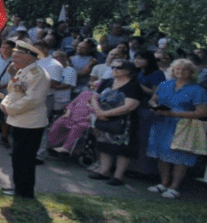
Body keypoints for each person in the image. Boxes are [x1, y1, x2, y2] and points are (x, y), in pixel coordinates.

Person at [145, 59, 207, 199]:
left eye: (184, 69)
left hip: (183, 127)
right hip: (161, 122)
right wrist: (155, 106)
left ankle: (174, 187)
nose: (180, 72)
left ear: (191, 73)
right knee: (161, 153)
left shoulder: (198, 90)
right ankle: (164, 183)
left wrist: (172, 113)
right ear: (172, 71)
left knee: (180, 156)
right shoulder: (164, 84)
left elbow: (202, 112)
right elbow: (152, 99)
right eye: (177, 69)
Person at [0, 40, 50, 198]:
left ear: (30, 57)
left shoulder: (38, 74)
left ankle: (24, 191)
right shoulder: (22, 71)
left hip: (30, 123)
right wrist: (5, 103)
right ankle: (19, 188)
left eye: (18, 56)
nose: (14, 59)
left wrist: (10, 109)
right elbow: (13, 91)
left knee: (25, 159)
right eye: (14, 56)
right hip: (20, 120)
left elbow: (33, 99)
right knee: (18, 158)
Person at [87, 60, 144, 186]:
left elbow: (129, 106)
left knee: (122, 150)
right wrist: (98, 111)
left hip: (123, 123)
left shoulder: (133, 85)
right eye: (113, 67)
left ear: (128, 70)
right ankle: (104, 171)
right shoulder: (107, 82)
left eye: (118, 68)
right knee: (103, 145)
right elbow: (94, 96)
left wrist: (103, 114)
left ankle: (118, 176)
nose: (114, 69)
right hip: (103, 119)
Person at [49, 89, 96, 154]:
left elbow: (95, 113)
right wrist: (67, 113)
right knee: (60, 121)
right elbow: (72, 104)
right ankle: (51, 145)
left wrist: (91, 109)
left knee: (79, 126)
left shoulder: (98, 99)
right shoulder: (85, 93)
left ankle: (66, 148)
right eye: (92, 86)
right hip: (71, 117)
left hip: (84, 121)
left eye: (95, 87)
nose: (93, 88)